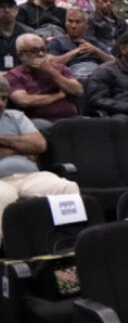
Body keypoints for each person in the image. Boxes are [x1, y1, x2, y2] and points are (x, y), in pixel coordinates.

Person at [0, 72, 81, 240]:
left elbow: (39, 145)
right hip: (1, 181)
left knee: (66, 187)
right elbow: (31, 147)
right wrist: (22, 148)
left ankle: (70, 245)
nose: (1, 103)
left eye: (4, 98)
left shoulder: (16, 117)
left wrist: (3, 142)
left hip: (31, 176)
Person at [6, 33, 81, 129]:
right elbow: (24, 101)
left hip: (71, 117)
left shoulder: (60, 69)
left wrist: (51, 72)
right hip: (39, 120)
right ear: (20, 55)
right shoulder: (14, 75)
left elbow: (78, 91)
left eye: (43, 50)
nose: (40, 54)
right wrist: (59, 95)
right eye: (34, 51)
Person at [46, 8, 112, 81]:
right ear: (65, 23)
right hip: (73, 76)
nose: (73, 26)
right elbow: (51, 63)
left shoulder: (93, 42)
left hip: (96, 74)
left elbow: (113, 62)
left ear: (86, 25)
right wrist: (77, 51)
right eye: (70, 21)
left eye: (78, 22)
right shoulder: (57, 42)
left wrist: (96, 50)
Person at [0, 0, 34, 66]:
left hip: (21, 75)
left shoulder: (28, 34)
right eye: (1, 7)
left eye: (10, 6)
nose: (7, 10)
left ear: (16, 10)